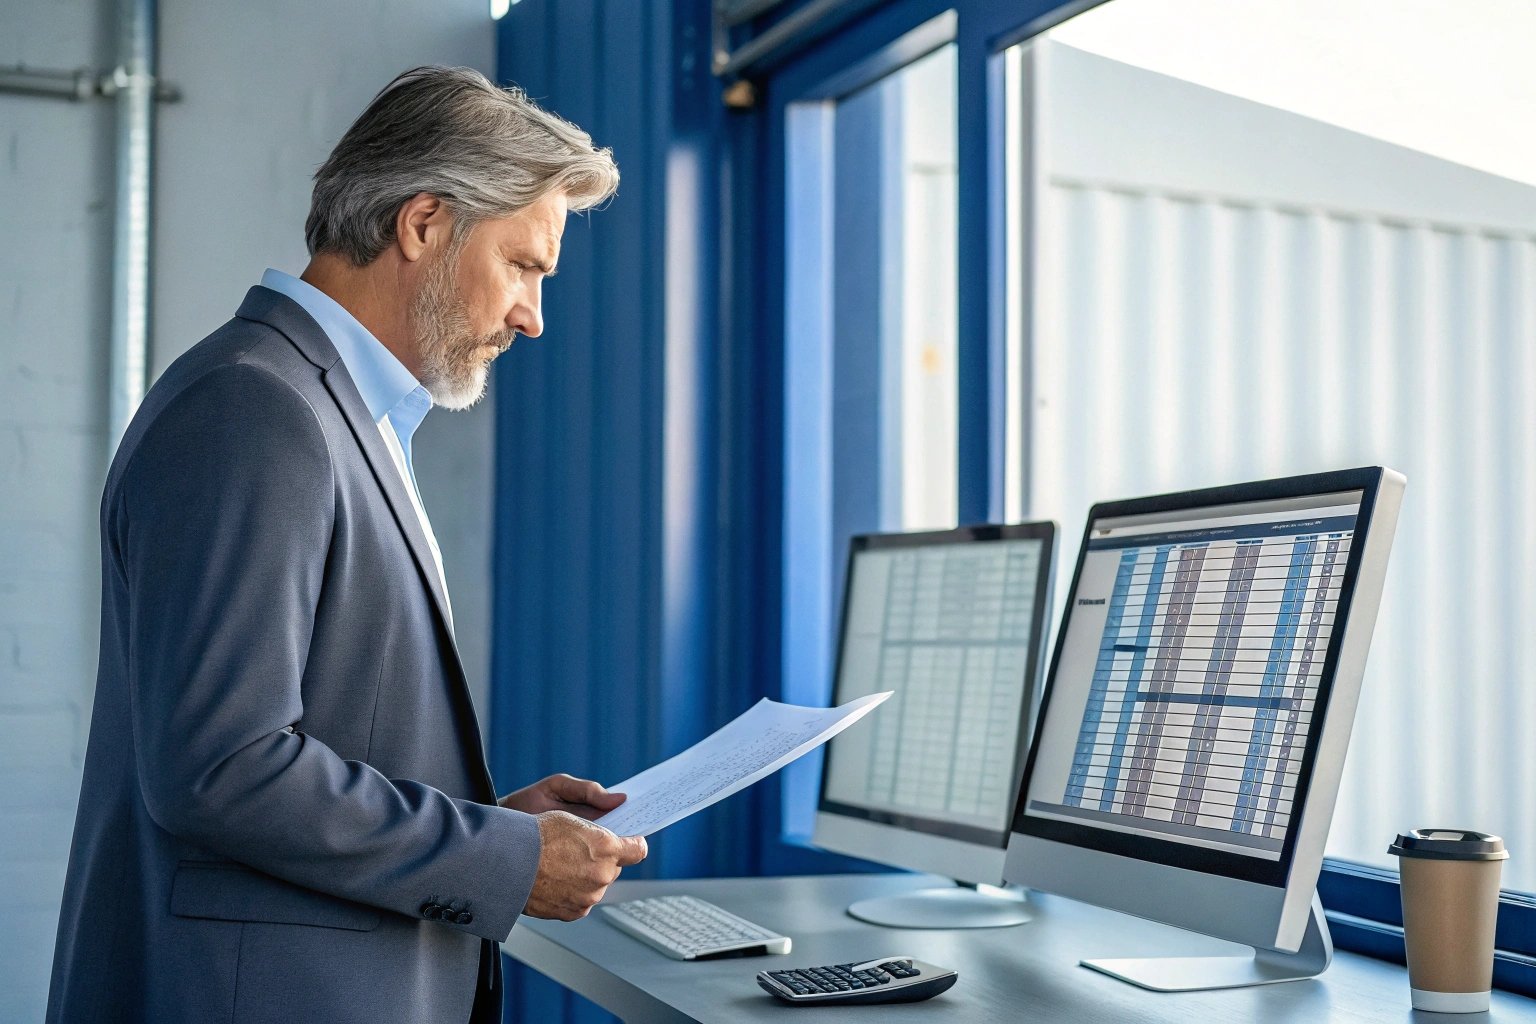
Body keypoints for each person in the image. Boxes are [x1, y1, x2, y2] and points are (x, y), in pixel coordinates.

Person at [46, 66, 645, 1024]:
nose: (532, 316)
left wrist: (491, 825)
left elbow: (320, 733)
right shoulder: (255, 409)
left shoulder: (333, 413)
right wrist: (498, 860)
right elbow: (222, 767)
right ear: (425, 224)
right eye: (524, 266)